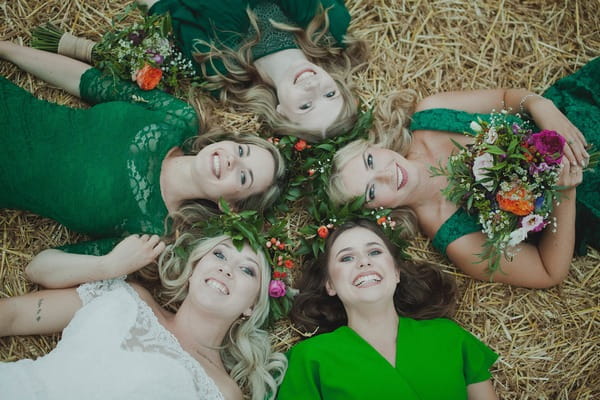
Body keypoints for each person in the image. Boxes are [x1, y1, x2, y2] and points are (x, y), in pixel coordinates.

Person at [328, 58, 600, 288]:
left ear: (375, 147)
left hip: (574, 111)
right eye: (372, 190)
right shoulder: (455, 237)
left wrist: (541, 106)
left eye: (371, 161)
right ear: (377, 213)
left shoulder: (431, 113)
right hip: (589, 191)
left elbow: (506, 97)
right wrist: (566, 192)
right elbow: (547, 271)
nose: (386, 174)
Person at [0, 42, 285, 259]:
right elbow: (86, 81)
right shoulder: (177, 118)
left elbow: (48, 263)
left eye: (244, 177)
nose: (233, 160)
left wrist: (110, 266)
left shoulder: (155, 235)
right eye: (242, 151)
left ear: (231, 207)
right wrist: (8, 49)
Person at [0, 232, 287, 400]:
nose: (226, 269)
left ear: (251, 305)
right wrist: (107, 266)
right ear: (194, 269)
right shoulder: (126, 295)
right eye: (220, 255)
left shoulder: (223, 391)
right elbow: (13, 315)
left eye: (247, 270)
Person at [277, 219, 498, 399]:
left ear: (396, 272)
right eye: (346, 257)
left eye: (374, 252)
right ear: (330, 285)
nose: (363, 262)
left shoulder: (449, 336)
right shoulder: (309, 358)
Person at [129, 0, 367, 141]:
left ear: (281, 113)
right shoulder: (328, 27)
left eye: (306, 106)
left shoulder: (222, 67)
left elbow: (168, 11)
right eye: (330, 94)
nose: (314, 87)